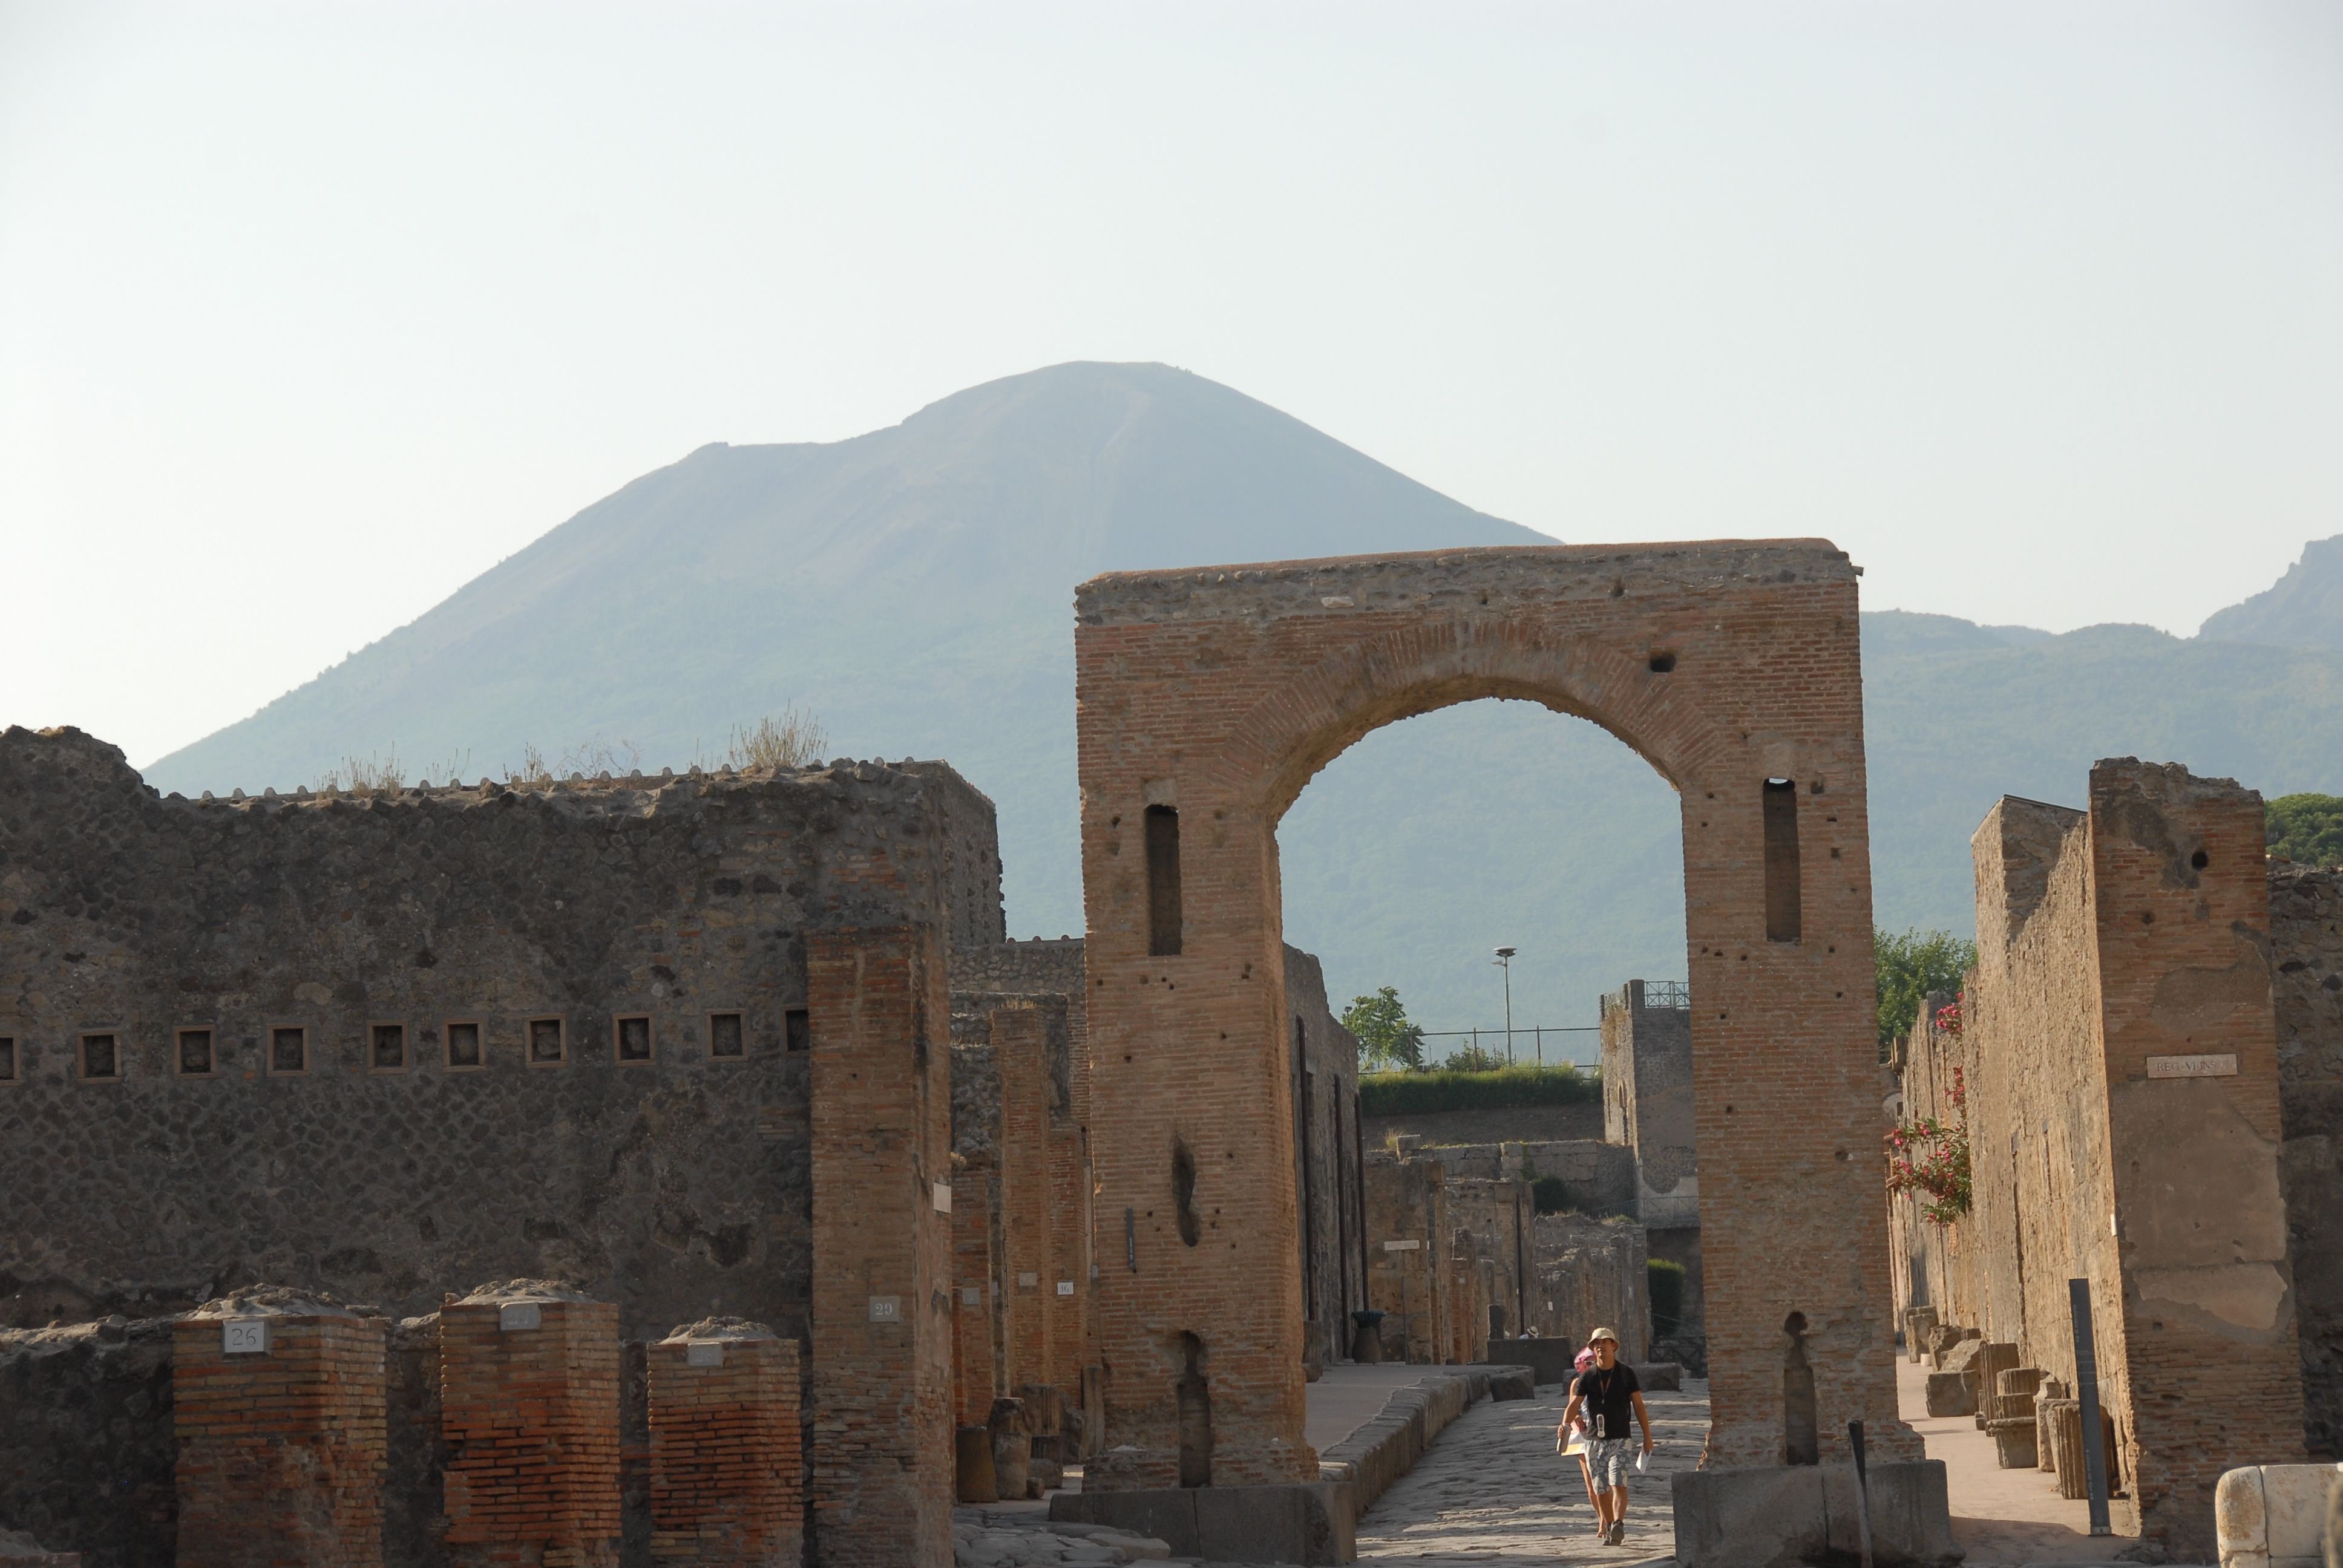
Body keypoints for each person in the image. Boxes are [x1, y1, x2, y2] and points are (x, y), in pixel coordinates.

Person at [1556, 1327, 1653, 1546]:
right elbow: (1574, 1405)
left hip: (1621, 1438)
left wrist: (1647, 1437)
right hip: (1593, 1440)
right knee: (1600, 1487)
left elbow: (1639, 1405)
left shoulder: (1626, 1374)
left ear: (1613, 1346)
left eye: (1605, 1343)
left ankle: (1619, 1523)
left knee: (1619, 1482)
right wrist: (1564, 1424)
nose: (1600, 1347)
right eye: (1596, 1344)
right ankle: (1609, 1526)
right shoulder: (1588, 1377)